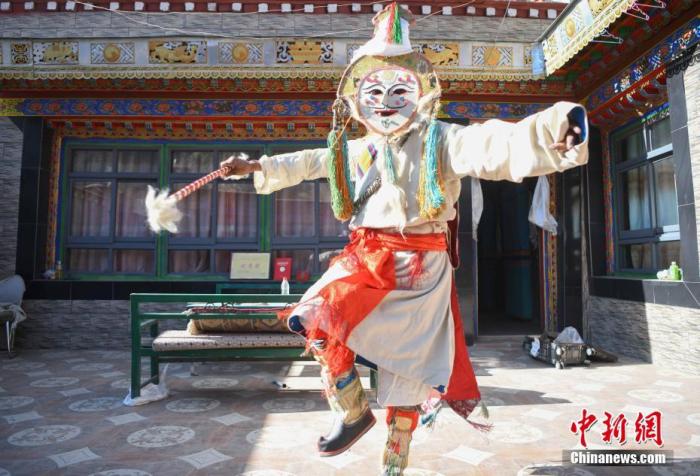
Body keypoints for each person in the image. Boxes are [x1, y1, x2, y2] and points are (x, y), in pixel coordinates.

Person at [221, 4, 588, 474]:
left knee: (407, 375)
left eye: (399, 90)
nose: (386, 101)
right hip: (366, 258)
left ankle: (394, 464)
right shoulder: (356, 149)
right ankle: (352, 411)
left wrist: (553, 129)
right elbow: (310, 161)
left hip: (420, 268)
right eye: (375, 92)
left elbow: (492, 144)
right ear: (359, 101)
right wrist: (255, 165)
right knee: (313, 315)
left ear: (420, 95)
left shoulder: (442, 140)